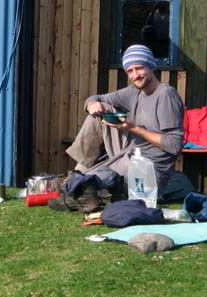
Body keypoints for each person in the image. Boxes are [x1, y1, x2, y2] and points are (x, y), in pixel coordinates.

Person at [49, 44, 184, 213]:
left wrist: (135, 129)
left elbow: (174, 145)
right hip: (131, 151)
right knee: (99, 112)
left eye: (139, 68)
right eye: (130, 71)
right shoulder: (133, 92)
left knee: (105, 176)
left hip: (150, 168)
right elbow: (97, 97)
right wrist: (92, 105)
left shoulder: (166, 95)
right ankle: (78, 178)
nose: (135, 75)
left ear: (150, 66)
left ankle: (81, 190)